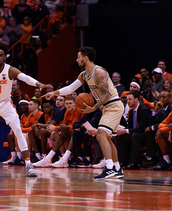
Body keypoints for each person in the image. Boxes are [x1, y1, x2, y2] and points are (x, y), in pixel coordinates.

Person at [0, 44, 52, 177]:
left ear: (5, 56)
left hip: (6, 103)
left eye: (1, 55)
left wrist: (39, 84)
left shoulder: (10, 70)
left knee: (18, 130)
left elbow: (24, 77)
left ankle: (28, 165)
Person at [44, 46, 124, 180]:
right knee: (107, 139)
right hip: (106, 107)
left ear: (85, 58)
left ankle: (109, 168)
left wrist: (93, 108)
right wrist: (54, 92)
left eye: (78, 57)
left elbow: (107, 93)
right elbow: (70, 88)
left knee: (101, 134)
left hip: (113, 104)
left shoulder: (99, 72)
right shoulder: (84, 74)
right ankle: (117, 168)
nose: (76, 60)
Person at [32, 96, 82, 167]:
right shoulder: (67, 111)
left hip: (81, 133)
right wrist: (57, 128)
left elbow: (73, 126)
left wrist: (55, 128)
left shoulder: (77, 111)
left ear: (75, 104)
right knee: (63, 133)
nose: (68, 105)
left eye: (70, 103)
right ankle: (48, 158)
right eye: (67, 103)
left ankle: (65, 159)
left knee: (68, 132)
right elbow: (63, 125)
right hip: (69, 132)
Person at [117, 91, 152, 169]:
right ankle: (123, 161)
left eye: (130, 99)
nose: (128, 101)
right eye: (127, 99)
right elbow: (129, 126)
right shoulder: (131, 111)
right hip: (135, 135)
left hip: (146, 136)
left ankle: (134, 162)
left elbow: (141, 128)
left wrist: (125, 131)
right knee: (121, 137)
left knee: (135, 135)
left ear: (136, 100)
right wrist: (121, 130)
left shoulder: (144, 110)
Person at [153, 96, 172, 170]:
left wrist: (164, 128)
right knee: (161, 134)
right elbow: (160, 125)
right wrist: (167, 126)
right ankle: (166, 160)